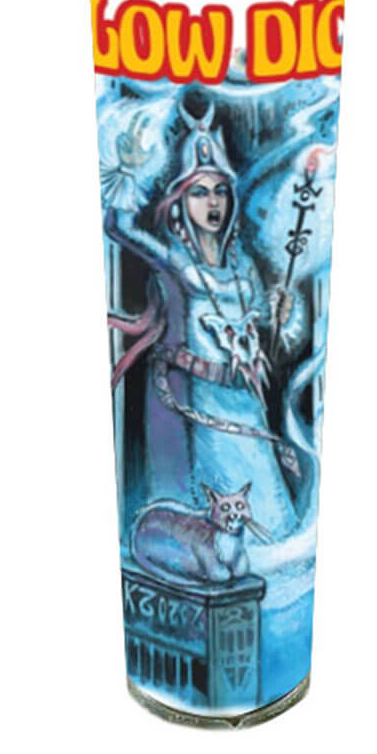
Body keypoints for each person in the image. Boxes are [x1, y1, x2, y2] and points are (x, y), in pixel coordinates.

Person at [102, 100, 301, 541]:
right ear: (179, 202)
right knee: (216, 522)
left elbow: (268, 329)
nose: (212, 202)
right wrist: (128, 169)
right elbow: (117, 226)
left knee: (271, 516)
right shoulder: (179, 263)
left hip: (246, 401)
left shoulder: (243, 267)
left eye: (220, 191)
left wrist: (283, 314)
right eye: (199, 192)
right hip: (201, 405)